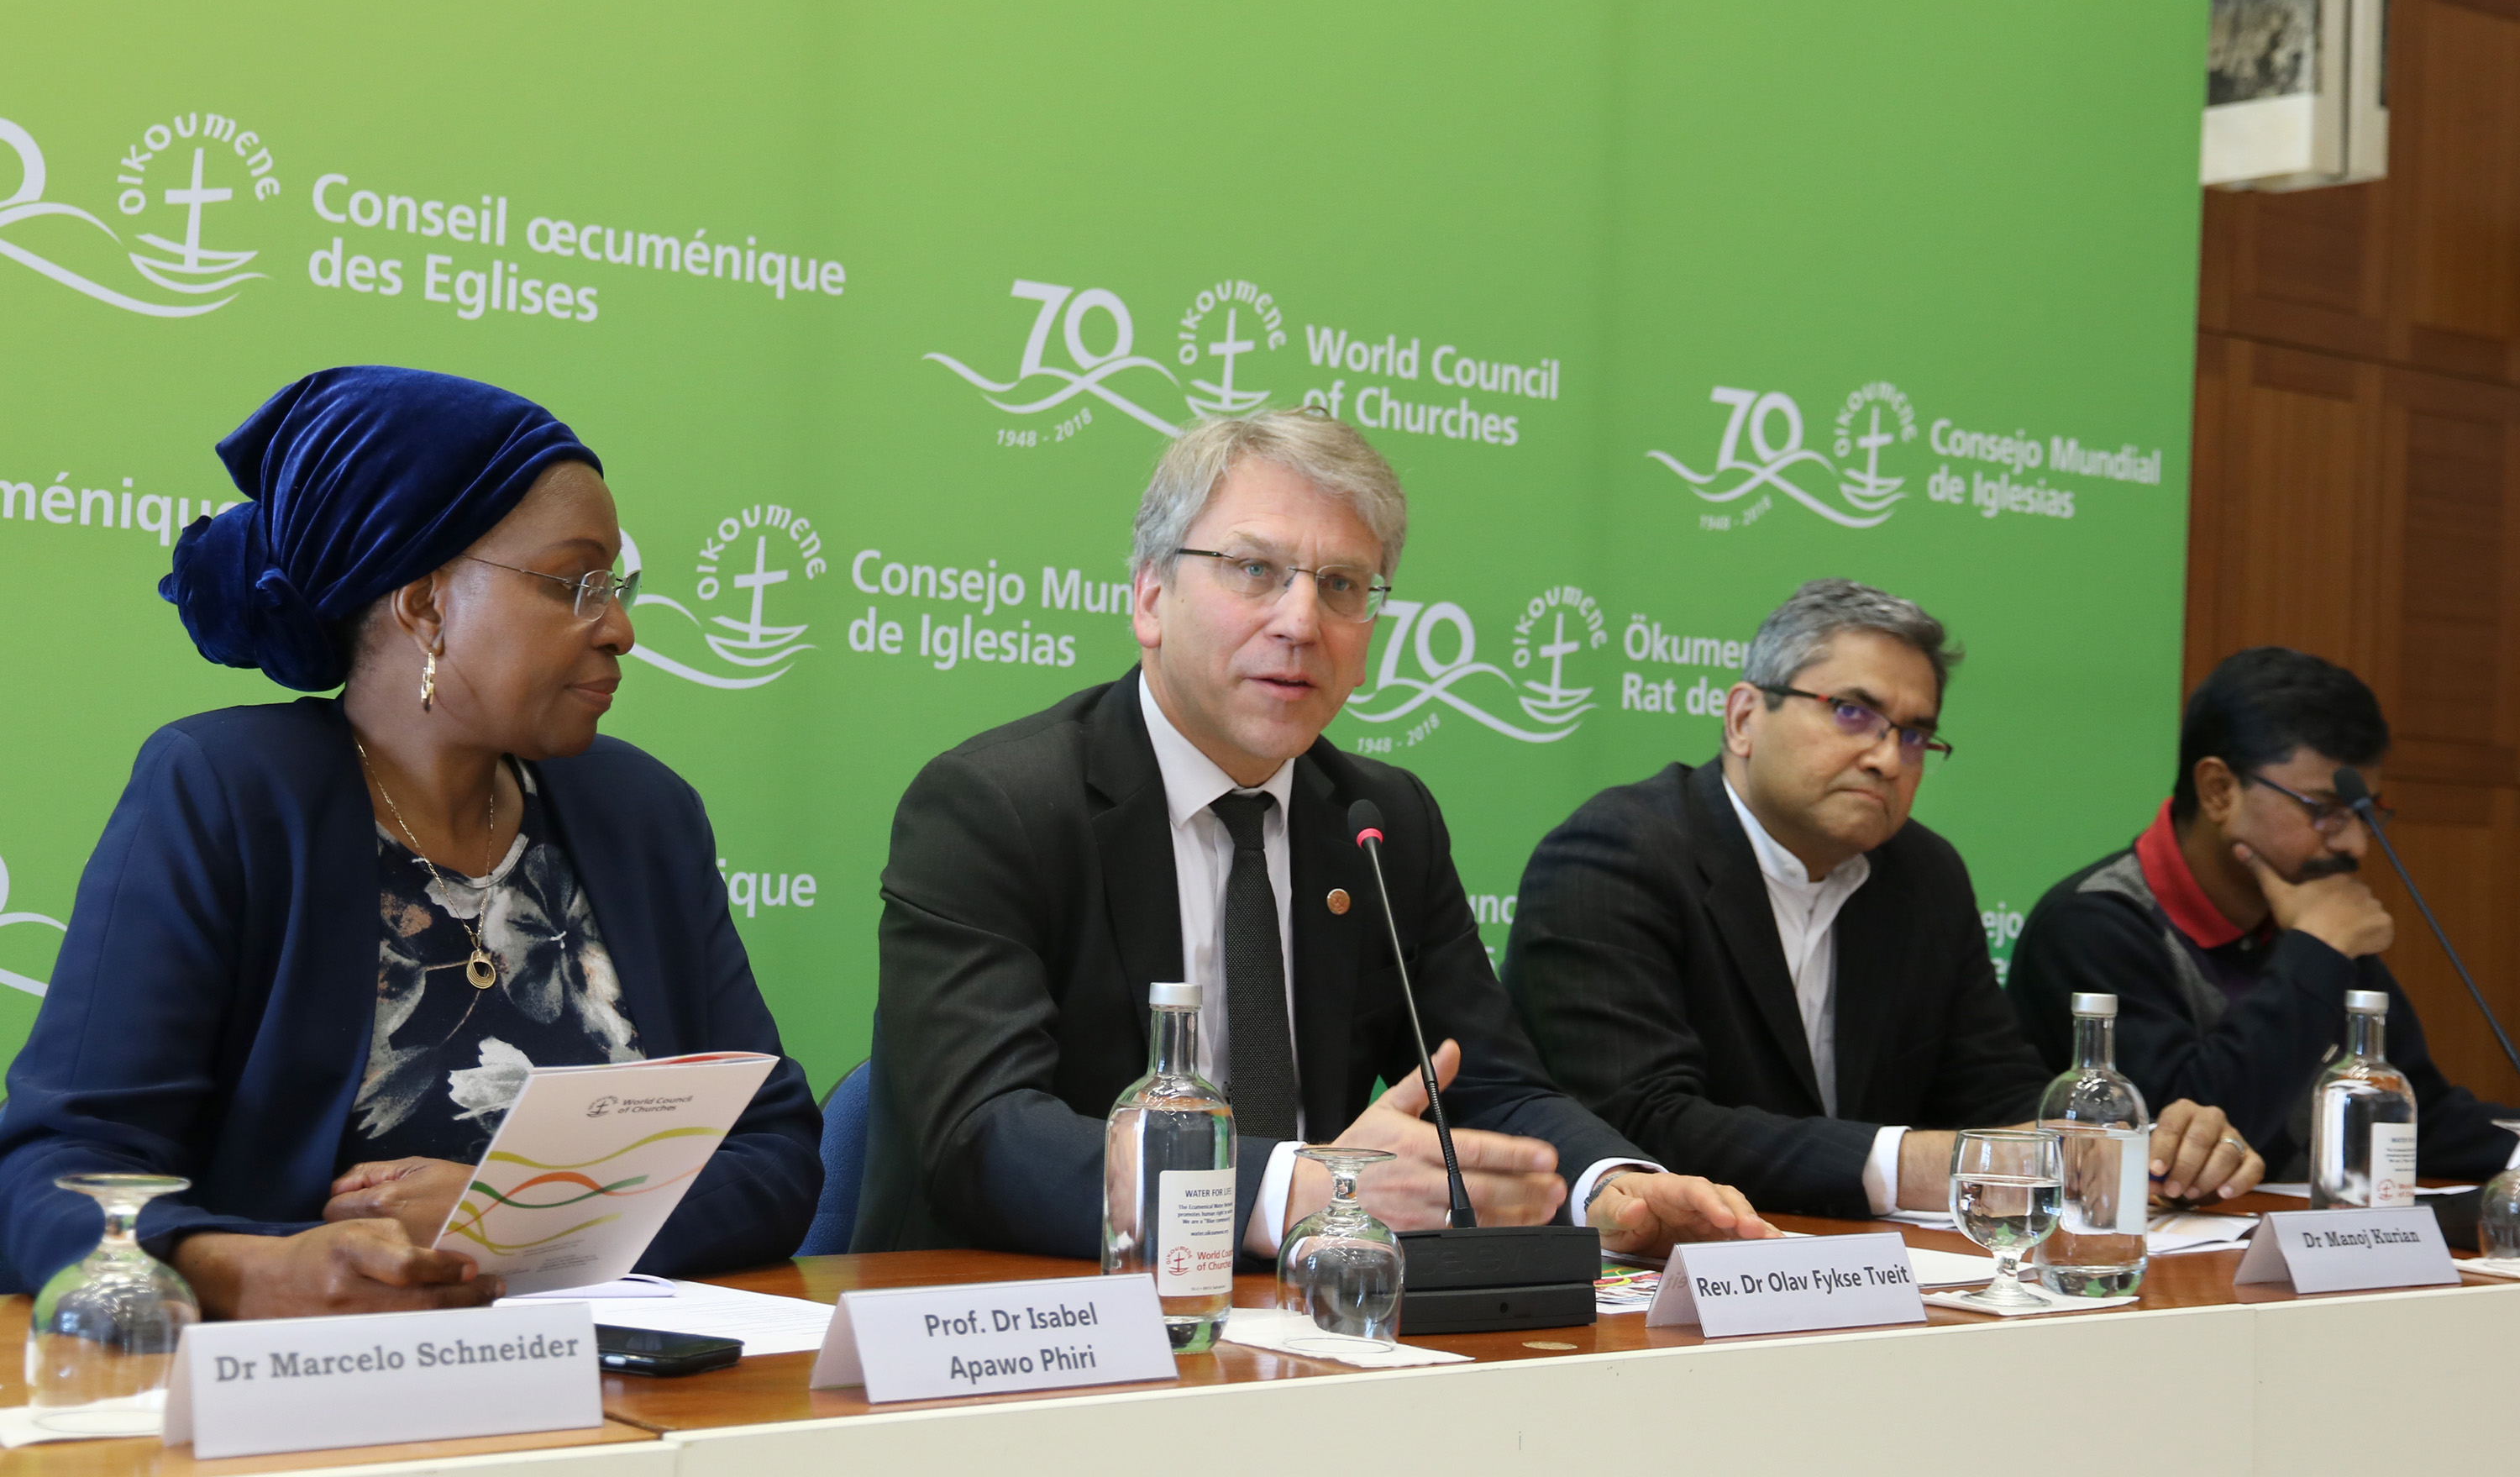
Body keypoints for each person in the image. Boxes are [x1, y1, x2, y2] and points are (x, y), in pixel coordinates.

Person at [858, 407, 1773, 1262]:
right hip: (1029, 1322)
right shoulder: (995, 806)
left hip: (1301, 1319)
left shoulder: (1380, 821)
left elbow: (1489, 1086)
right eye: (1254, 569)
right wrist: (1290, 1187)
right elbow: (983, 1134)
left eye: (1341, 586)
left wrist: (1614, 1188)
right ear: (1149, 597)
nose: (1301, 622)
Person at [0, 367, 821, 1316]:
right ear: (425, 604)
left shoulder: (642, 810)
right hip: (318, 1403)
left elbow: (774, 1155)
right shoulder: (226, 790)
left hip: (617, 1396)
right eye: (574, 584)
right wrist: (250, 1269)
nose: (623, 629)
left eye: (617, 585)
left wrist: (505, 1220)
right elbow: (52, 1172)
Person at [1504, 580, 2265, 1220]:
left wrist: (2128, 1147)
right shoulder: (1617, 854)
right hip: (1665, 1283)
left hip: (1873, 1277)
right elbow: (1636, 1121)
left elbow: (1992, 1087)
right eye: (1851, 712)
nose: (1884, 756)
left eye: (1913, 736)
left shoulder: (1923, 876)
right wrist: (1921, 1163)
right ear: (1743, 718)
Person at [2009, 646, 2518, 1180]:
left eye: (2367, 813)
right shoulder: (2092, 925)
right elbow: (2179, 1148)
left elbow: (2416, 1124)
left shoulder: (2309, 915)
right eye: (2325, 810)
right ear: (2219, 791)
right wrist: (2317, 953)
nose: (2355, 845)